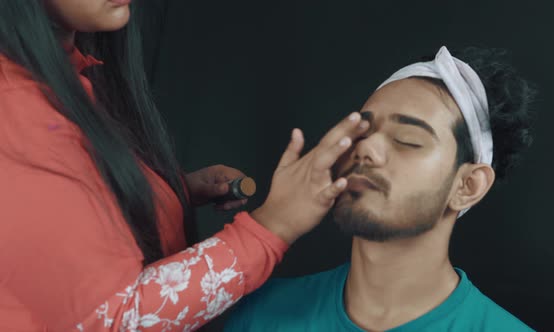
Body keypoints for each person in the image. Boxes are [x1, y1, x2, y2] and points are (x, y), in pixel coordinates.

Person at [0, 1, 371, 331]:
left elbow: (55, 215)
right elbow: (114, 319)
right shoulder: (15, 109)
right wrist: (275, 225)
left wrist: (165, 192)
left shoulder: (63, 76)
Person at [224, 46, 537, 331]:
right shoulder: (260, 316)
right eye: (361, 133)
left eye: (407, 140)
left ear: (467, 186)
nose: (367, 148)